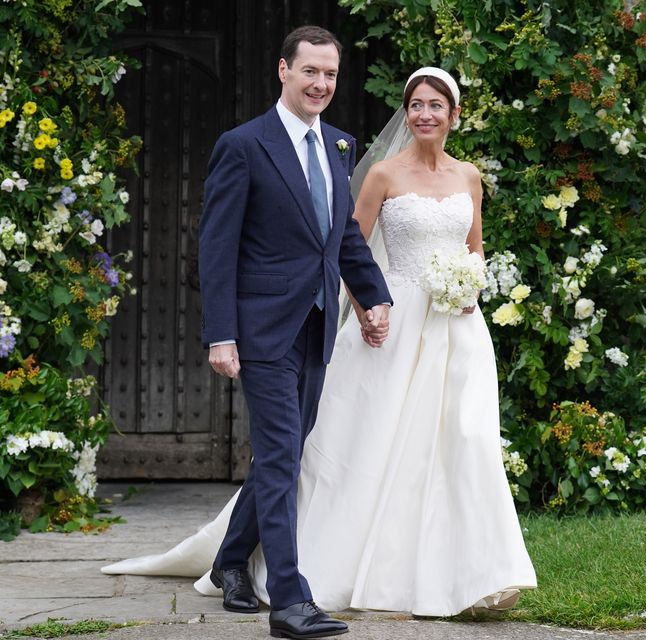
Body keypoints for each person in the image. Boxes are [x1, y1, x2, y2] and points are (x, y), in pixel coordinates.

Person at [103, 65, 536, 621]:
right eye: (416, 104)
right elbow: (341, 242)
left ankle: (464, 573)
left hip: (455, 334)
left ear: (455, 114)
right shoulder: (368, 169)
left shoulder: (448, 173)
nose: (425, 114)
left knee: (460, 447)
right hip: (378, 329)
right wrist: (368, 307)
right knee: (321, 449)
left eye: (436, 105)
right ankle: (279, 579)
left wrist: (469, 285)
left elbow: (460, 247)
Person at [152, 25, 392, 640]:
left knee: (281, 457)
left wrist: (374, 297)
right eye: (310, 71)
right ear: (283, 71)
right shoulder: (244, 145)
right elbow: (217, 247)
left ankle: (231, 558)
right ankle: (290, 600)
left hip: (316, 328)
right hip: (261, 331)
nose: (321, 84)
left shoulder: (339, 145)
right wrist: (220, 333)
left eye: (330, 75)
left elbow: (340, 237)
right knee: (283, 456)